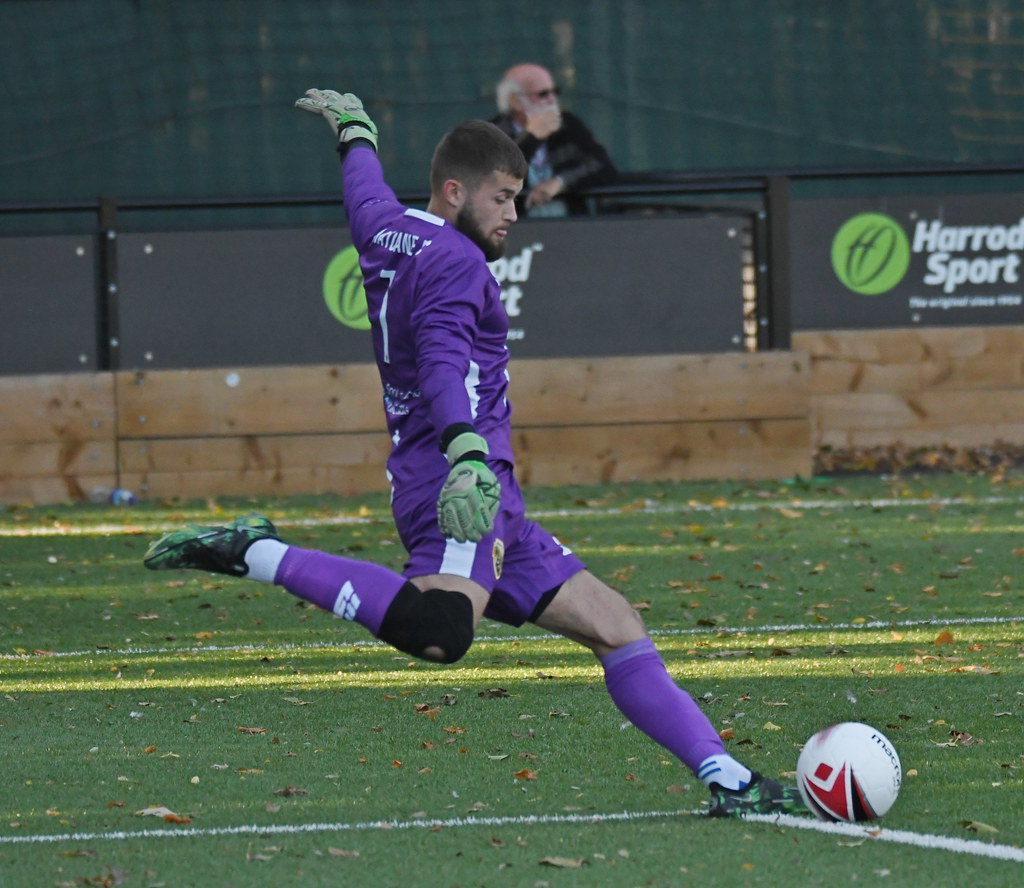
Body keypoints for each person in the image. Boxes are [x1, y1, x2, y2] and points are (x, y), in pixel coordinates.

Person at [143, 89, 804, 818]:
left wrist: (355, 134)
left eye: (517, 199)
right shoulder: (460, 263)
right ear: (456, 191)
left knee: (615, 626)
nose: (513, 215)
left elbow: (363, 193)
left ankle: (729, 779)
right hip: (459, 487)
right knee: (439, 634)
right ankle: (256, 552)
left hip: (487, 496)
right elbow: (440, 363)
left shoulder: (388, 230)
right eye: (501, 197)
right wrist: (465, 453)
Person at [491, 63, 617, 217]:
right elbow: (494, 176)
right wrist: (532, 137)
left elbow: (602, 166)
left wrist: (559, 182)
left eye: (554, 92)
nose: (552, 99)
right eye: (543, 94)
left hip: (569, 226)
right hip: (516, 227)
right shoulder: (494, 133)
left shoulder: (568, 124)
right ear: (515, 101)